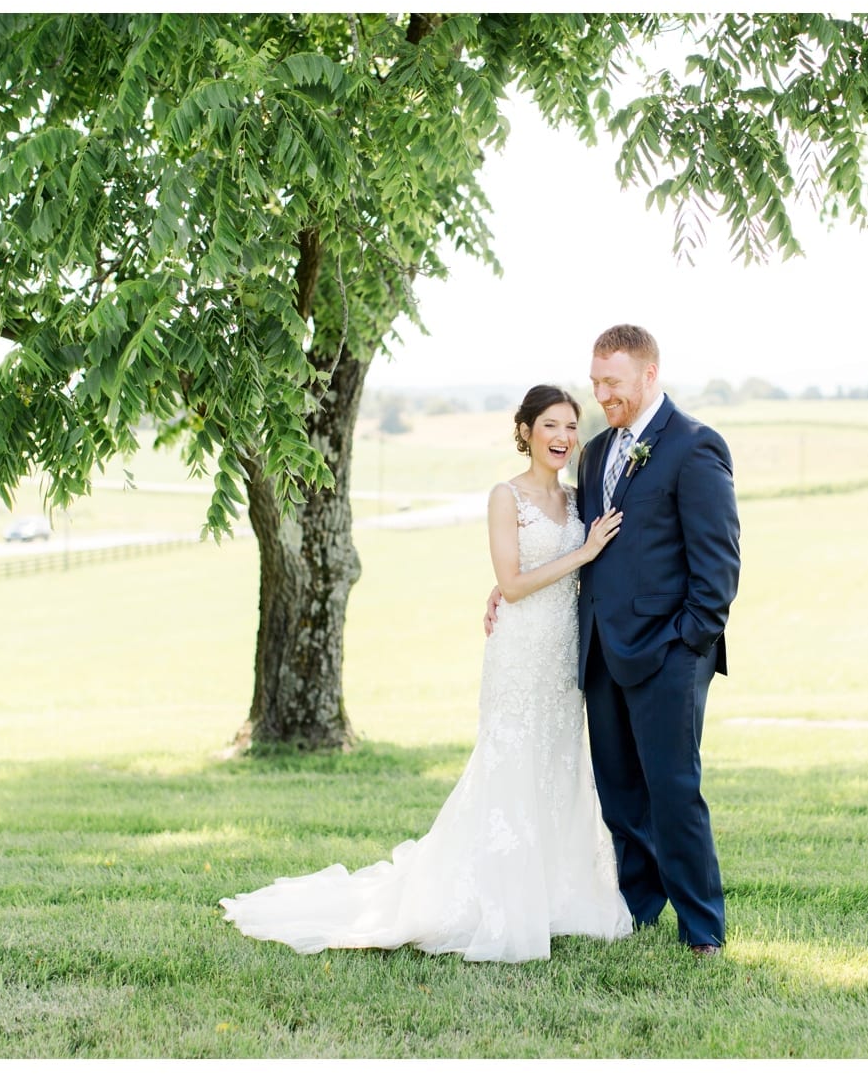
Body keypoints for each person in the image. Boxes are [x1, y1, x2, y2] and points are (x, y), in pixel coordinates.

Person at [220, 385, 633, 963]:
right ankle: (496, 900)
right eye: (550, 426)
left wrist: (572, 559)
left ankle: (556, 895)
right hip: (518, 653)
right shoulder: (504, 496)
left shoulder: (576, 500)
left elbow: (545, 576)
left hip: (564, 652)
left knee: (558, 762)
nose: (563, 437)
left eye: (571, 426)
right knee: (511, 762)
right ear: (526, 433)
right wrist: (578, 556)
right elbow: (514, 582)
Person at [486, 323, 740, 956]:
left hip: (669, 654)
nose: (602, 395)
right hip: (598, 651)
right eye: (596, 382)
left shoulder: (694, 446)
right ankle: (639, 906)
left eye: (614, 383)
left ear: (649, 375)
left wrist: (689, 641)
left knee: (674, 791)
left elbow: (718, 563)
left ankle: (702, 928)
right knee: (621, 792)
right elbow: (568, 539)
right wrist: (505, 586)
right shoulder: (596, 452)